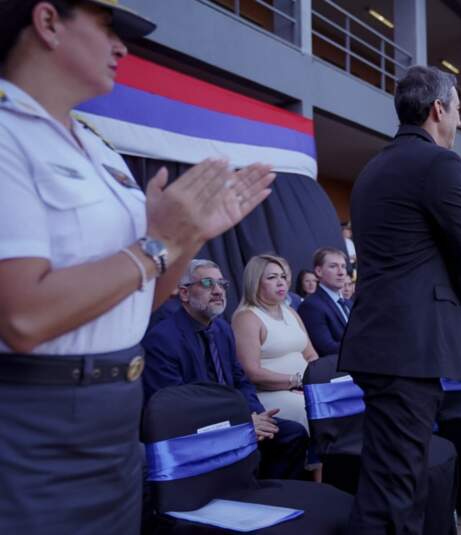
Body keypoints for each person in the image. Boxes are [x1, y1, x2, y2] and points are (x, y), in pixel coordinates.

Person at [0, 2, 275, 533]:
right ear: (48, 21)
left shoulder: (97, 152)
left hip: (115, 416)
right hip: (37, 415)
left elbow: (138, 299)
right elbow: (23, 317)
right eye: (107, 27)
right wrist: (157, 244)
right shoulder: (9, 136)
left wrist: (188, 236)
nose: (122, 47)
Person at [339, 65, 461, 534]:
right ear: (437, 110)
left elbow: (418, 252)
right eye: (458, 110)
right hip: (406, 351)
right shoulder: (439, 163)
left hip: (384, 344)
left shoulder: (375, 166)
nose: (459, 121)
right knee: (398, 486)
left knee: (388, 477)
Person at [142, 259, 308, 480]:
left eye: (222, 284)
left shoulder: (222, 329)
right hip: (196, 431)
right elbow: (176, 406)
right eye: (208, 283)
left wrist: (257, 415)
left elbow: (241, 380)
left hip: (234, 420)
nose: (218, 290)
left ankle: (270, 496)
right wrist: (241, 422)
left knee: (292, 434)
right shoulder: (162, 339)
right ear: (184, 294)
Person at [232, 254, 318, 434]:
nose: (281, 283)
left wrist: (313, 383)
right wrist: (295, 382)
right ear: (255, 283)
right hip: (271, 395)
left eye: (283, 277)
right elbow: (251, 372)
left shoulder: (290, 312)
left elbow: (310, 355)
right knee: (310, 407)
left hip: (303, 387)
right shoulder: (247, 317)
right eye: (272, 277)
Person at [298, 247, 350, 356]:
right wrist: (366, 345)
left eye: (343, 266)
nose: (341, 272)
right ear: (318, 271)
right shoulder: (311, 306)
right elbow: (327, 349)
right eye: (333, 266)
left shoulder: (349, 304)